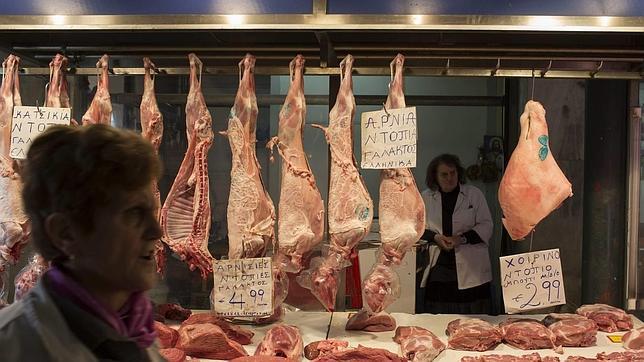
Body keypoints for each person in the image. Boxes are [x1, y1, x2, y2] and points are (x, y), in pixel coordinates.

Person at [0, 124, 164, 361]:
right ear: (65, 233)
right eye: (134, 212)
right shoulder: (10, 347)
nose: (156, 230)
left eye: (152, 211)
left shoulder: (139, 336)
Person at [420, 154, 493, 314]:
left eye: (453, 173)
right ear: (435, 177)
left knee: (473, 319)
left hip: (471, 265)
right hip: (440, 265)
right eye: (444, 174)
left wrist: (462, 239)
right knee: (438, 316)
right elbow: (416, 227)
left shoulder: (474, 194)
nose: (449, 178)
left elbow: (487, 225)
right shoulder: (426, 197)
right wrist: (436, 237)